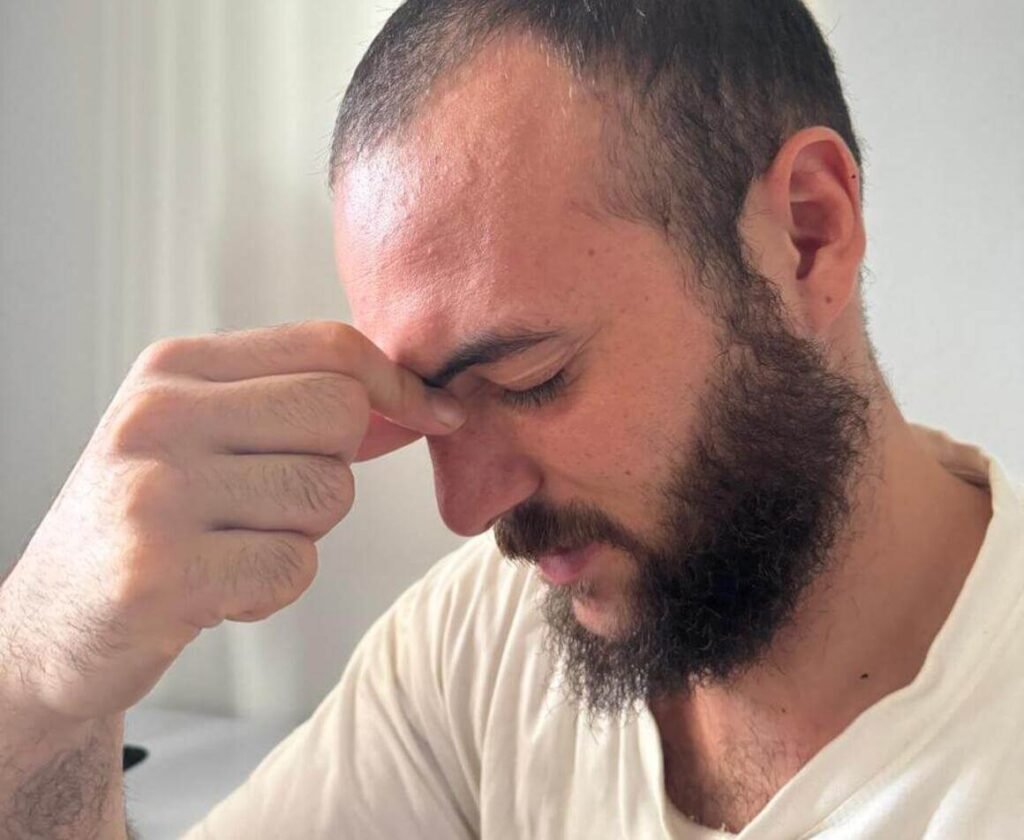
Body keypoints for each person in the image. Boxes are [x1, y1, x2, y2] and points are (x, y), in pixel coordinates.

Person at [1, 1, 1020, 837]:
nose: (465, 510)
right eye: (434, 409)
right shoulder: (478, 644)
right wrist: (43, 694)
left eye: (532, 377)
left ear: (807, 235)